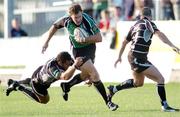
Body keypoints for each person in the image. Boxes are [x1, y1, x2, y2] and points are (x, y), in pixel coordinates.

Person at [41, 4, 118, 111]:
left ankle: (66, 86)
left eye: (79, 16)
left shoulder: (88, 20)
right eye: (75, 17)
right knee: (94, 75)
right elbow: (54, 26)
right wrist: (46, 42)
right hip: (78, 51)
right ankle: (108, 102)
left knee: (87, 75)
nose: (78, 19)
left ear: (82, 13)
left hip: (90, 49)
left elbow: (99, 38)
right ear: (70, 16)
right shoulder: (66, 21)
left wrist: (85, 39)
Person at [107, 7, 180, 112]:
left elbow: (124, 42)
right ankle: (165, 106)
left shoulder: (135, 25)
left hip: (133, 56)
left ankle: (113, 89)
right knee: (160, 79)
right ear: (150, 16)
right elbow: (159, 34)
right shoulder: (148, 23)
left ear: (140, 16)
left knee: (138, 83)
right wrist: (172, 46)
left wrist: (119, 57)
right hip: (137, 58)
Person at [6, 51, 83, 104]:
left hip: (41, 73)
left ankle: (16, 83)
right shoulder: (52, 68)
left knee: (34, 81)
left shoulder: (65, 60)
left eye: (69, 63)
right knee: (44, 101)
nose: (68, 66)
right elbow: (65, 77)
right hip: (39, 84)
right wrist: (74, 66)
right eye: (67, 65)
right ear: (60, 63)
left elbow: (78, 66)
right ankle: (18, 87)